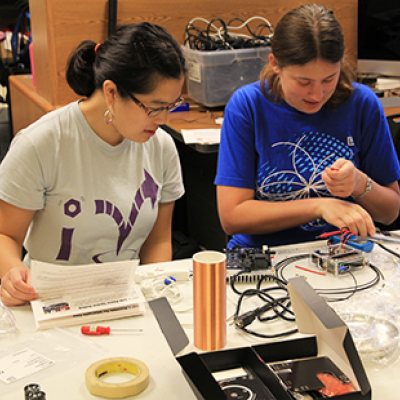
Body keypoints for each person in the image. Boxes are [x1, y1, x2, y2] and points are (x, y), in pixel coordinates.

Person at [0, 22, 186, 306]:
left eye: (171, 105)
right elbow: (6, 235)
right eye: (154, 107)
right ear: (111, 92)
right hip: (49, 300)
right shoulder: (41, 144)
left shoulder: (160, 147)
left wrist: (151, 295)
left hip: (124, 299)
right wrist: (13, 272)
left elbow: (158, 242)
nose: (163, 120)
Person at [215, 4, 400, 249]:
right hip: (265, 255)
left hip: (344, 252)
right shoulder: (247, 106)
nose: (317, 94)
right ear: (275, 64)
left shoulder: (363, 104)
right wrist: (320, 206)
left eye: (329, 79)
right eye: (304, 82)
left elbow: (390, 213)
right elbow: (232, 217)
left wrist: (359, 184)